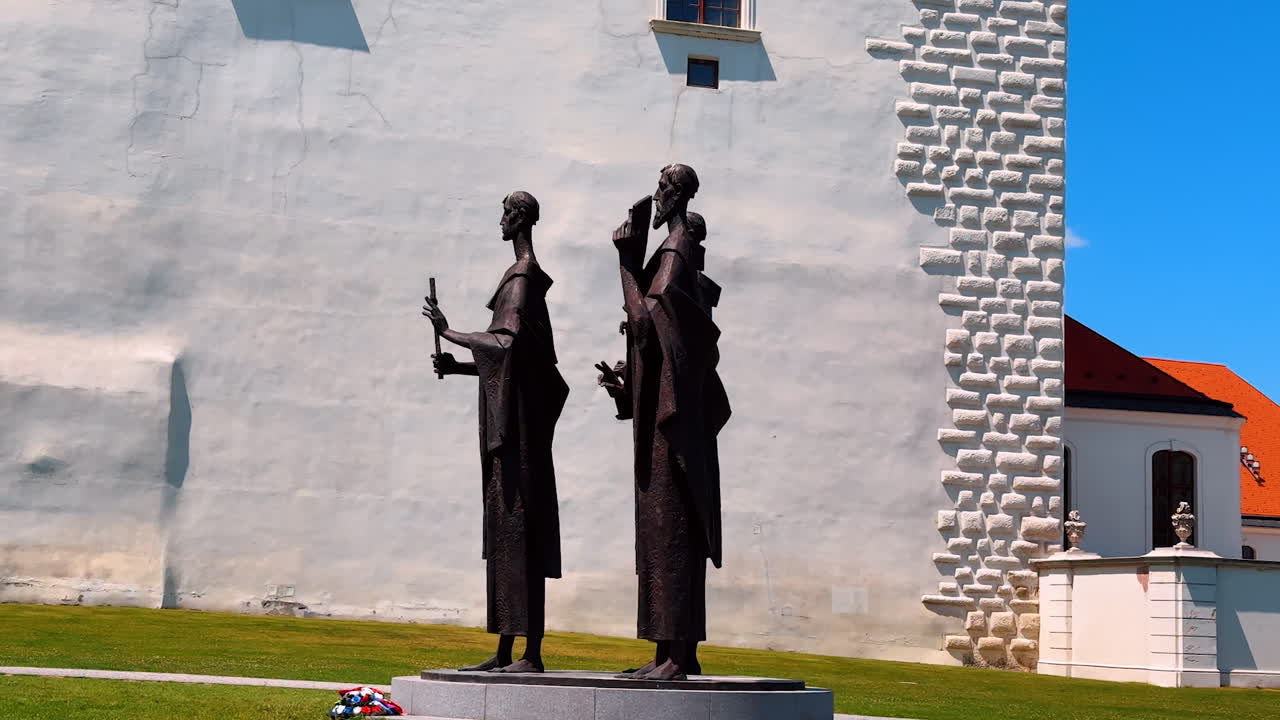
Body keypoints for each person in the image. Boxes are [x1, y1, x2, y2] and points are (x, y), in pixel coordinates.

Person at [423, 191, 568, 673]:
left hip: (520, 435)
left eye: (507, 214)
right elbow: (510, 360)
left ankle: (531, 653)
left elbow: (504, 345)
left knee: (520, 531)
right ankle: (506, 648)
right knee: (506, 534)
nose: (501, 221)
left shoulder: (523, 277)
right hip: (511, 431)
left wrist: (451, 332)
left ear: (521, 218)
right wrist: (461, 366)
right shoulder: (517, 279)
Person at [596, 165, 731, 680]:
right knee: (660, 535)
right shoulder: (672, 253)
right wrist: (628, 386)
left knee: (671, 531)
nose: (654, 196)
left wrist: (626, 263)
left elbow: (649, 325)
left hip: (671, 432)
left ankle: (677, 656)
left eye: (660, 188)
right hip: (661, 422)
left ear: (672, 195)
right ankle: (668, 653)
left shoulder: (674, 251)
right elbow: (657, 342)